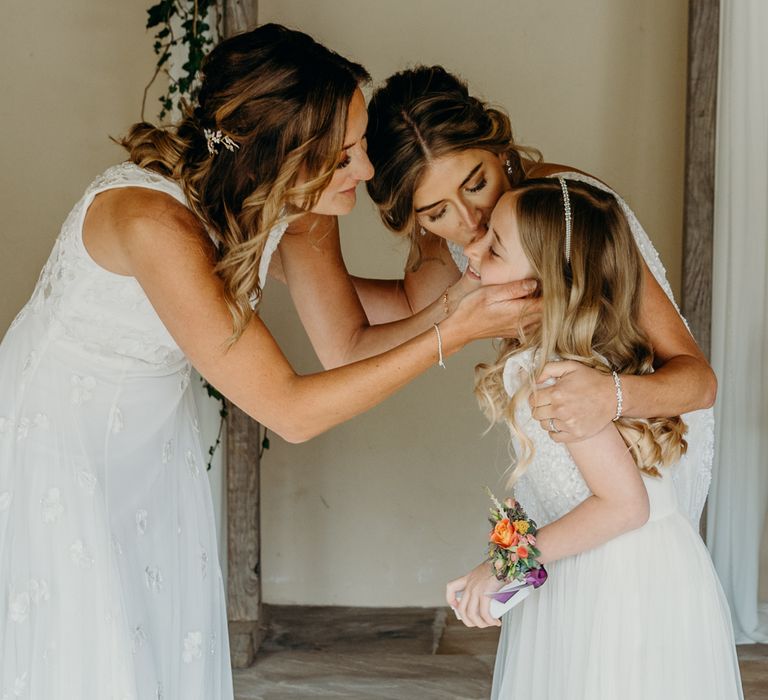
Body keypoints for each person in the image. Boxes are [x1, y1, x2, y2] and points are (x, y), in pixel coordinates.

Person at [0, 26, 529, 700]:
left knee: (151, 634)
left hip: (149, 441)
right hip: (54, 441)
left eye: (359, 146)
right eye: (342, 159)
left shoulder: (302, 204)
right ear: (274, 160)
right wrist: (453, 333)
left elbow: (349, 348)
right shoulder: (151, 226)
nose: (363, 174)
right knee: (85, 647)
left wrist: (463, 301)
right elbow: (291, 410)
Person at [275, 64, 714, 526]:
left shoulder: (568, 214)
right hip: (561, 447)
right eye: (437, 212)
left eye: (477, 184)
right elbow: (415, 311)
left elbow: (698, 382)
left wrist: (610, 397)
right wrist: (281, 267)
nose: (470, 222)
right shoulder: (445, 238)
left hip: (647, 434)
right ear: (416, 218)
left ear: (499, 149)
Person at [447, 180, 742, 699]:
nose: (470, 249)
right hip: (621, 562)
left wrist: (504, 566)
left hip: (617, 582)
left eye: (493, 246)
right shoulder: (566, 360)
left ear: (543, 286)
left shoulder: (553, 378)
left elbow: (625, 505)